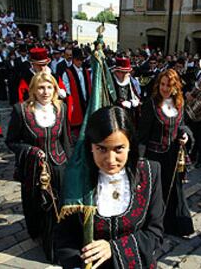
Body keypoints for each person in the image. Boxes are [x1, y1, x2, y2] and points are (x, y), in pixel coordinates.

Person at [55, 106, 164, 268]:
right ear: (91, 147)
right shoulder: (76, 178)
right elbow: (65, 239)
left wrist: (113, 248)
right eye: (101, 149)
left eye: (119, 149)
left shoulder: (150, 172)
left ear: (130, 146)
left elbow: (155, 234)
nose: (110, 160)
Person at [6, 72, 71, 261]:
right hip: (34, 170)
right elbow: (11, 141)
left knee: (57, 209)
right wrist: (31, 151)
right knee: (41, 208)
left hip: (59, 167)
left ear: (55, 89)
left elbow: (66, 140)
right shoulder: (22, 111)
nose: (45, 91)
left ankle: (57, 246)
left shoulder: (61, 108)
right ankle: (46, 242)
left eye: (49, 87)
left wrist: (72, 166)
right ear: (33, 89)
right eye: (41, 87)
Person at [138, 69, 194, 237]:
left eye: (169, 85)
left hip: (173, 156)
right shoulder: (151, 104)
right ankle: (154, 227)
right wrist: (139, 160)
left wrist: (185, 136)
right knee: (156, 194)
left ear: (175, 86)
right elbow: (142, 135)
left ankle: (174, 225)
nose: (164, 88)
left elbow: (182, 125)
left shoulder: (179, 103)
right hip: (155, 157)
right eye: (162, 84)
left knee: (174, 191)